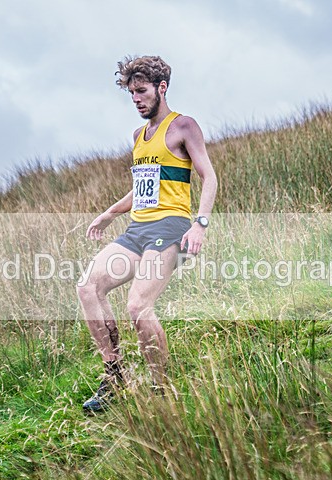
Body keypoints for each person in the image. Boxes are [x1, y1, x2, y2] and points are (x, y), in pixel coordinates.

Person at [77, 55, 218, 413]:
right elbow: (142, 188)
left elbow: (210, 177)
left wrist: (200, 224)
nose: (136, 99)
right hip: (137, 229)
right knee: (88, 288)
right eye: (131, 93)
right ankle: (114, 378)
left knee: (138, 307)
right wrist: (110, 213)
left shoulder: (184, 126)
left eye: (141, 91)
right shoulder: (138, 136)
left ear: (162, 88)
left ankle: (161, 391)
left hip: (171, 227)